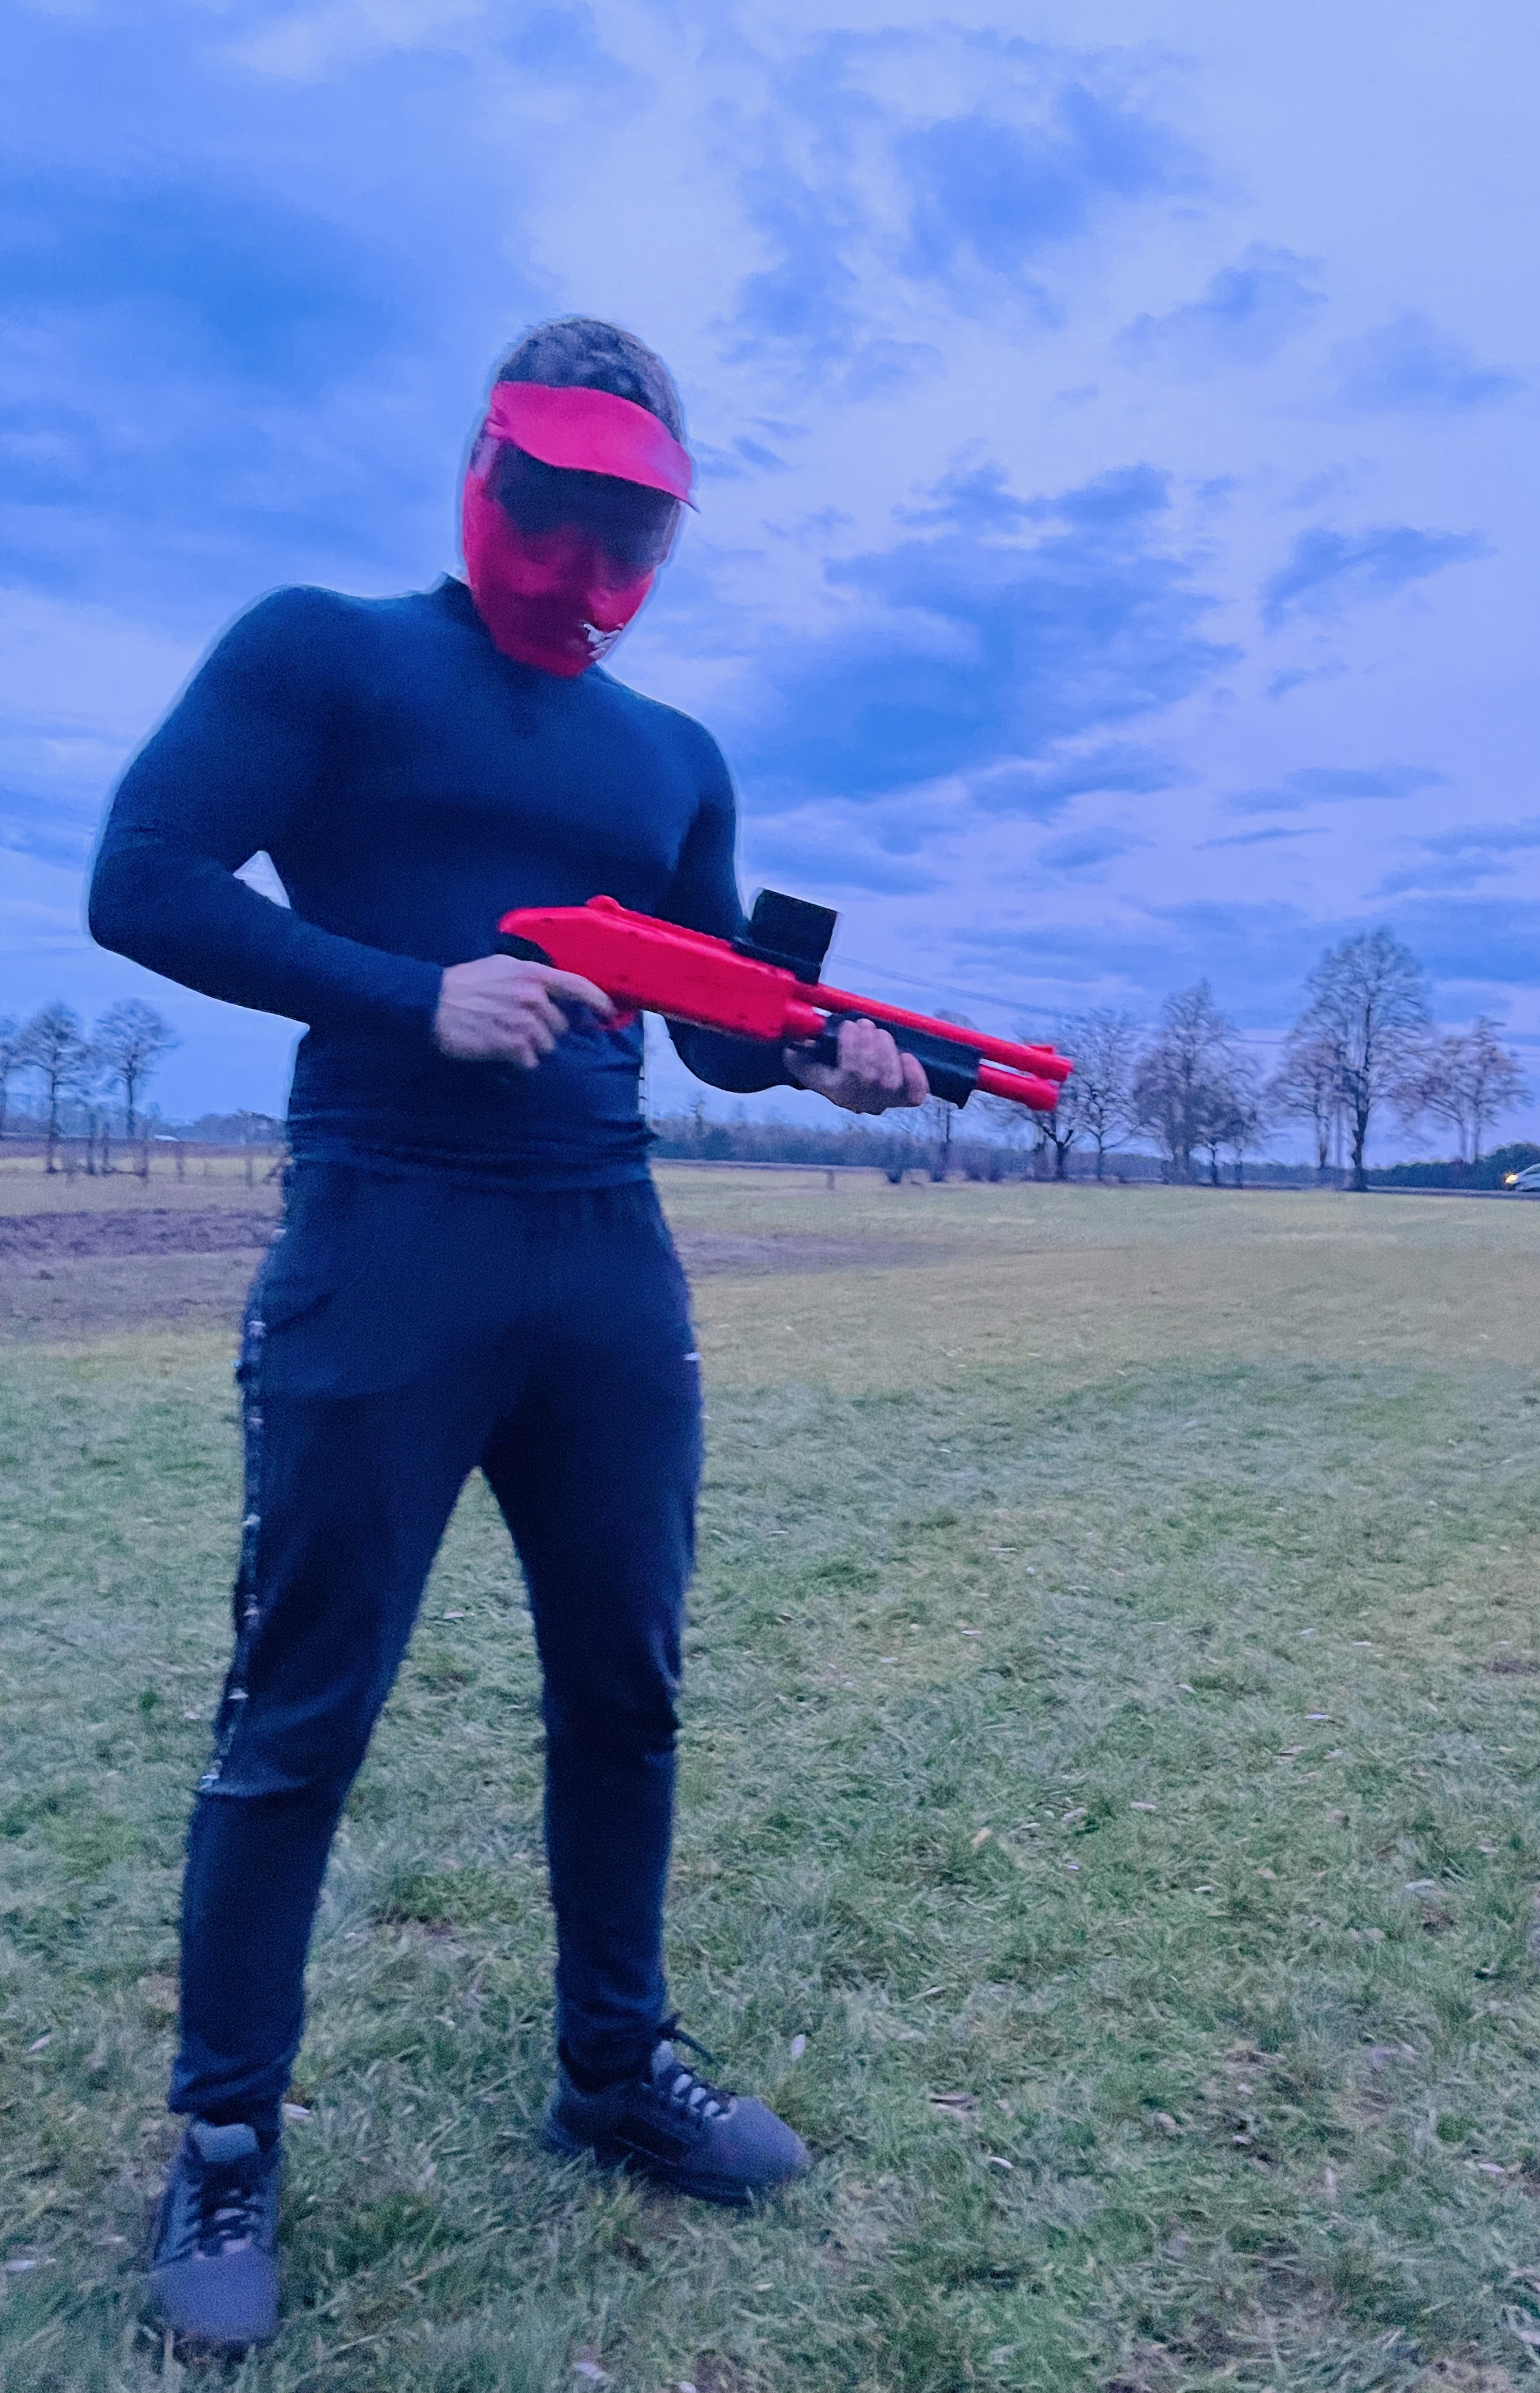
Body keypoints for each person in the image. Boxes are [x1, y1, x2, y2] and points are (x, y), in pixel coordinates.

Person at [87, 317, 928, 2351]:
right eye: (549, 515)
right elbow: (143, 878)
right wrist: (414, 991)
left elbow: (715, 1027)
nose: (582, 568)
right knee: (304, 1706)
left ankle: (614, 2069)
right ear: (483, 472)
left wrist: (823, 1061)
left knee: (627, 1688)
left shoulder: (676, 758)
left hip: (607, 1252)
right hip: (384, 1232)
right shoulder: (326, 653)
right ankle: (225, 2137)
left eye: (629, 536)